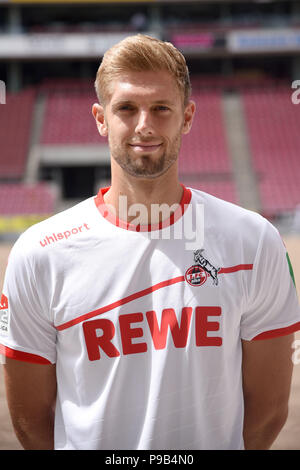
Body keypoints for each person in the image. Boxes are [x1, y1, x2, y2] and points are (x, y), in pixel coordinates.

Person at [1, 34, 300, 451]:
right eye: (126, 108)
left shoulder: (253, 242)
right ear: (101, 118)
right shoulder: (40, 254)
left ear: (188, 116)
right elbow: (31, 421)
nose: (144, 124)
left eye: (161, 108)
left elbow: (268, 411)